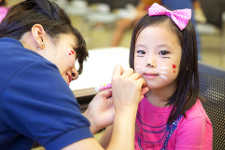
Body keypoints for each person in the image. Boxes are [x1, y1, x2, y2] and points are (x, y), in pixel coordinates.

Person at [0, 0, 149, 149]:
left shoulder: (9, 61)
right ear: (40, 36)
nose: (75, 73)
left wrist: (91, 120)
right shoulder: (31, 69)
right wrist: (126, 109)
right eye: (72, 49)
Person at [100, 3, 213, 149]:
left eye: (163, 53)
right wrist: (120, 107)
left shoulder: (192, 121)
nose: (149, 62)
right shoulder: (130, 98)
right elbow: (102, 146)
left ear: (186, 59)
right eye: (141, 52)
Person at [110, 0, 204, 60]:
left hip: (167, 20)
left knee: (185, 43)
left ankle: (193, 70)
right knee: (122, 23)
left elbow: (177, 17)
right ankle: (111, 51)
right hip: (153, 15)